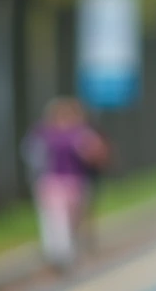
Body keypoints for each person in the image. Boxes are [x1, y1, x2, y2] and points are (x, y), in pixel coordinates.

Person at [22, 97, 108, 271]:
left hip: (74, 182)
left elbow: (95, 152)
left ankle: (63, 251)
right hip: (51, 181)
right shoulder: (44, 133)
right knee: (54, 218)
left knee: (70, 220)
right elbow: (31, 153)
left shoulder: (80, 132)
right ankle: (60, 254)